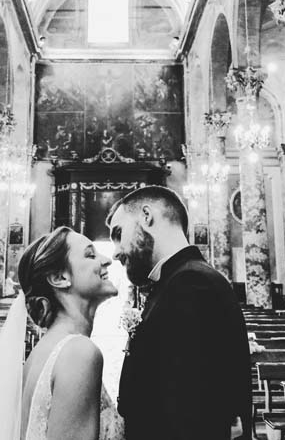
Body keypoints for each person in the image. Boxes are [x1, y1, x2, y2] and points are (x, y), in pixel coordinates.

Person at [108, 186, 253, 440]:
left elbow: (193, 413)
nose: (116, 252)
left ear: (146, 216)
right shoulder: (177, 280)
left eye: (119, 234)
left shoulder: (191, 285)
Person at [0, 226, 124, 440]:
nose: (106, 260)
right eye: (90, 255)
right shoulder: (78, 353)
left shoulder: (45, 350)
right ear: (59, 277)